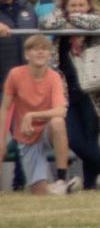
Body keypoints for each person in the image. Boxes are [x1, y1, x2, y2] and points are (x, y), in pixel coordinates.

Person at [39, 0, 100, 189]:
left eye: (81, 5)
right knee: (74, 140)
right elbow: (45, 23)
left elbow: (94, 22)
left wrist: (69, 20)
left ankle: (90, 185)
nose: (77, 8)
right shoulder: (59, 20)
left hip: (94, 90)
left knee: (90, 139)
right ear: (65, 7)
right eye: (73, 5)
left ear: (89, 5)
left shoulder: (96, 19)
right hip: (67, 90)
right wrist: (63, 17)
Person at [1, 35, 79, 194]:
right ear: (26, 55)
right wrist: (1, 140)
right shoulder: (15, 75)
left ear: (50, 55)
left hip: (46, 130)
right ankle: (61, 190)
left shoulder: (54, 77)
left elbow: (61, 110)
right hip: (26, 134)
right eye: (35, 49)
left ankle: (61, 179)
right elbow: (5, 108)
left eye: (44, 49)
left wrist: (31, 115)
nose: (40, 53)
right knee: (39, 193)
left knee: (57, 122)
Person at [0, 0, 37, 190]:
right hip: (0, 82)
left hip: (23, 84)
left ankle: (19, 186)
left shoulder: (28, 8)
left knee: (24, 135)